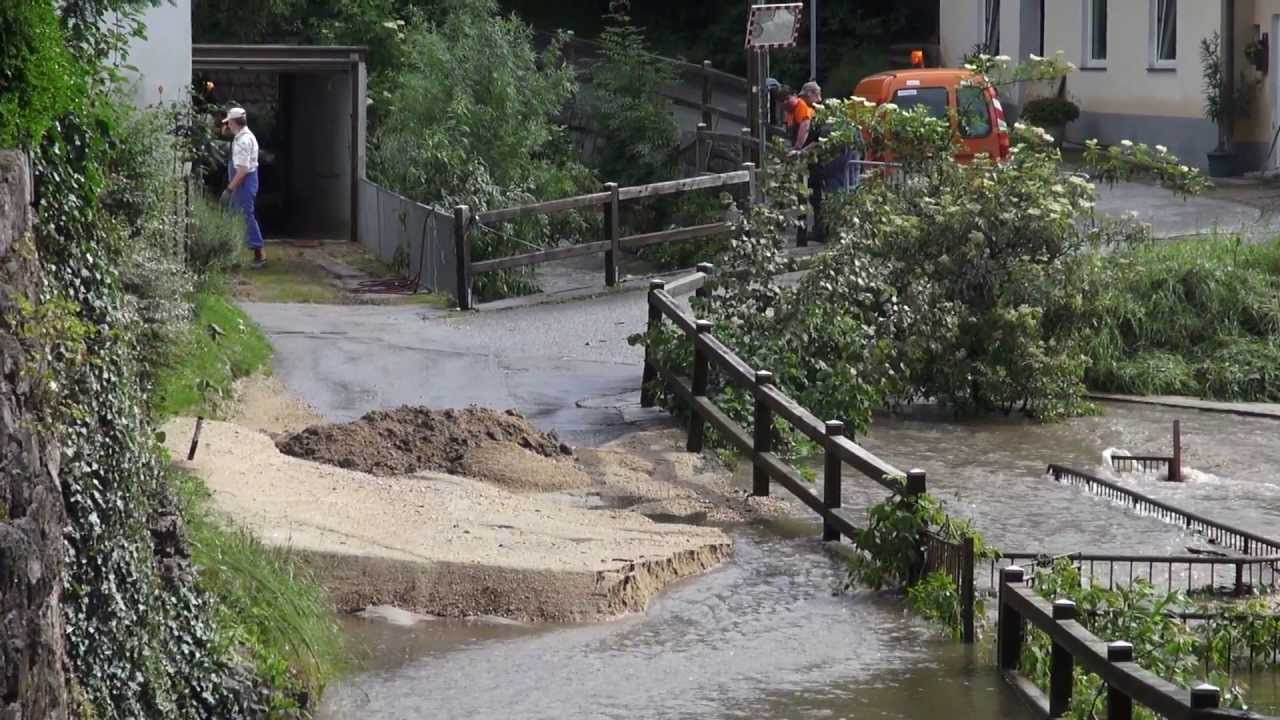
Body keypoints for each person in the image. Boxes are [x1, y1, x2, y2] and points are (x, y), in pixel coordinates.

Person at [219, 106, 266, 268]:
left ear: (233, 122)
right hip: (245, 180)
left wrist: (229, 189)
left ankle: (259, 255)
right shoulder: (242, 136)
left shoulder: (243, 141)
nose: (227, 126)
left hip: (244, 181)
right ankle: (234, 255)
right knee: (236, 215)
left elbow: (243, 170)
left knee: (245, 215)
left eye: (229, 123)